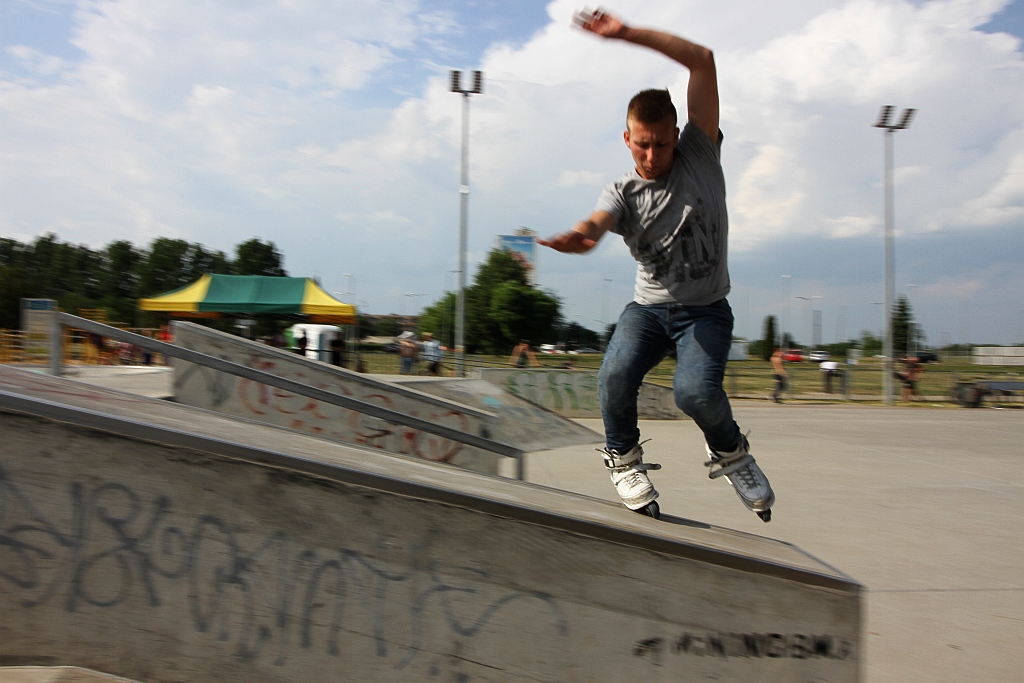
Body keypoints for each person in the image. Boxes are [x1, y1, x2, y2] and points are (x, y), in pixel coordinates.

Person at [538, 8, 774, 521]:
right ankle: (623, 458)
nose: (652, 156)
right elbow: (598, 222)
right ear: (627, 139)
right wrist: (581, 236)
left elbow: (703, 61)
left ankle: (731, 452)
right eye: (641, 144)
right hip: (647, 312)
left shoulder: (700, 154)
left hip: (705, 311)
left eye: (661, 144)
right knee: (614, 376)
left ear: (678, 136)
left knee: (694, 393)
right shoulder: (623, 191)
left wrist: (626, 35)